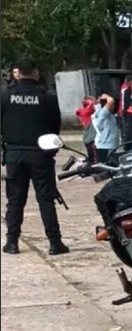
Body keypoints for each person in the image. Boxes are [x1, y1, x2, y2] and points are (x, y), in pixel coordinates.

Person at [1, 59, 69, 255]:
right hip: (40, 154)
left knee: (15, 200)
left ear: (18, 73)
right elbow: (55, 127)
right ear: (35, 72)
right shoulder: (47, 96)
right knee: (46, 199)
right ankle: (55, 243)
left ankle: (12, 242)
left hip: (14, 154)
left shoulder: (5, 96)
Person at [92, 94, 120, 163]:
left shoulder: (104, 113)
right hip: (106, 146)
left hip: (109, 145)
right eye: (112, 105)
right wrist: (106, 97)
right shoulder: (103, 113)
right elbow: (111, 101)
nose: (113, 106)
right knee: (107, 165)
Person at [75, 96, 98, 162]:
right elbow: (90, 106)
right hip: (89, 131)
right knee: (89, 144)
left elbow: (92, 106)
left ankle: (92, 159)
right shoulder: (83, 111)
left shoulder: (89, 110)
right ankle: (92, 160)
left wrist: (90, 100)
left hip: (91, 131)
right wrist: (91, 100)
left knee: (90, 144)